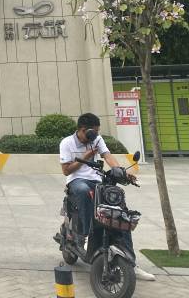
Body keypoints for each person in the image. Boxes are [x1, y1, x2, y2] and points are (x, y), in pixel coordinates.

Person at [59, 112, 156, 282]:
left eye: (97, 131)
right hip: (77, 181)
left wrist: (120, 171)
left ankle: (131, 263)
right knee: (84, 190)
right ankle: (87, 235)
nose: (96, 135)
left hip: (97, 179)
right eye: (93, 131)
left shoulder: (96, 139)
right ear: (83, 130)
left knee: (120, 213)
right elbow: (66, 170)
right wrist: (85, 157)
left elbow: (108, 156)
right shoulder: (67, 143)